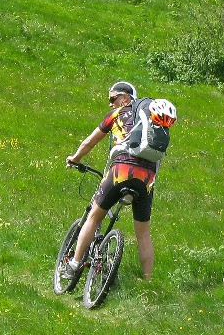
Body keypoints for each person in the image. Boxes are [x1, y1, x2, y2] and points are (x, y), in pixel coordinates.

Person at [63, 81, 175, 281]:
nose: (110, 104)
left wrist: (75, 159)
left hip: (121, 171)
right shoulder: (152, 120)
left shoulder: (117, 115)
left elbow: (89, 141)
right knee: (143, 234)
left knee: (94, 217)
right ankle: (148, 282)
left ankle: (74, 264)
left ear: (125, 98)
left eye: (112, 99)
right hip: (147, 179)